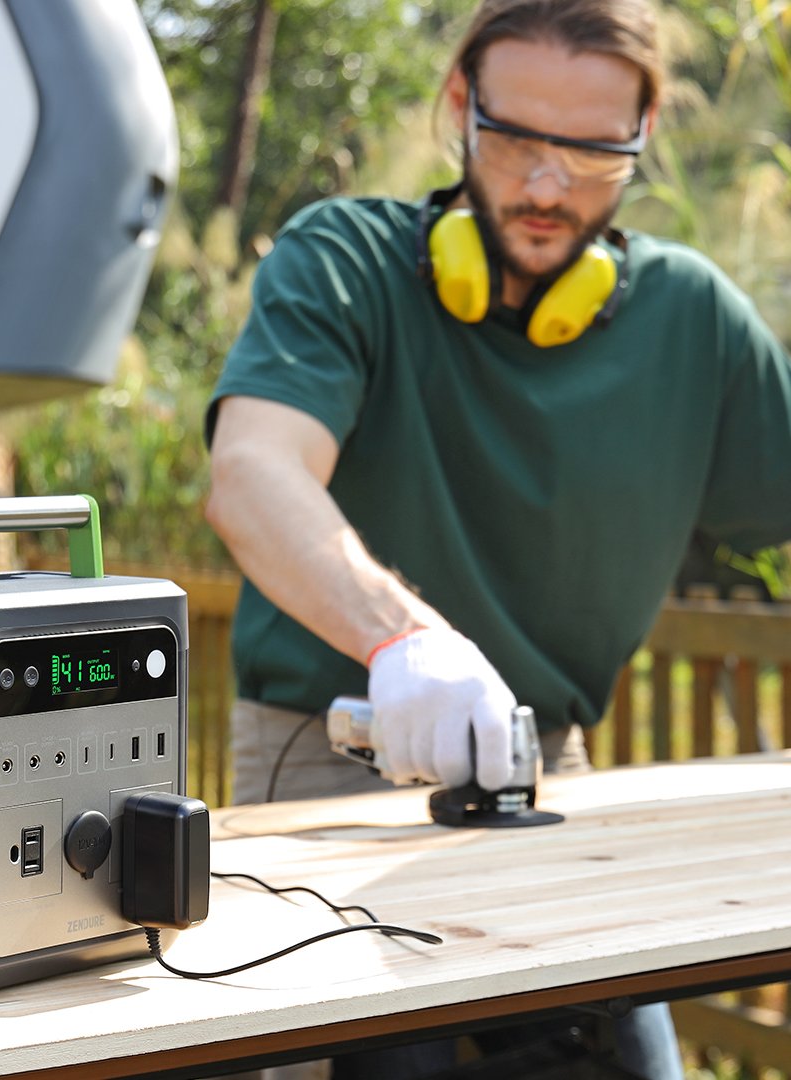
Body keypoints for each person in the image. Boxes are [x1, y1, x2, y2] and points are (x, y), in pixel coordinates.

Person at [204, 0, 791, 1077]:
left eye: (593, 153)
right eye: (517, 140)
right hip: (330, 759)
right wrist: (402, 639)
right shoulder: (345, 262)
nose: (547, 188)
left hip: (546, 770)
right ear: (461, 105)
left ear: (646, 131)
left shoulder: (694, 322)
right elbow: (251, 475)